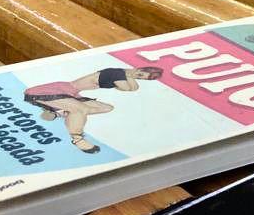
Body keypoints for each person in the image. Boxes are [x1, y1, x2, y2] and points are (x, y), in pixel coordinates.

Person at [23, 66, 164, 153]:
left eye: (142, 78)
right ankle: (78, 139)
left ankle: (57, 112)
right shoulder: (117, 73)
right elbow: (127, 88)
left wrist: (133, 75)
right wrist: (132, 75)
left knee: (107, 107)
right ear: (139, 68)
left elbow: (134, 88)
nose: (138, 77)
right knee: (80, 110)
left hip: (72, 93)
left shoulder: (122, 73)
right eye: (140, 74)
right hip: (59, 89)